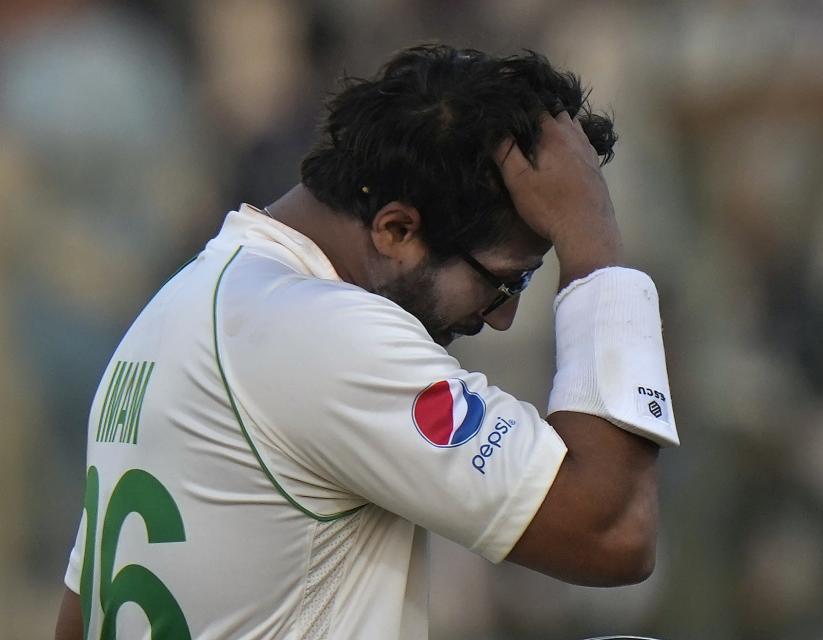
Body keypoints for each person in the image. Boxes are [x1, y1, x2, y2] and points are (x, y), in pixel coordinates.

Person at [55, 44, 679, 639]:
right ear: (397, 229)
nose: (502, 318)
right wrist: (592, 245)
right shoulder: (319, 332)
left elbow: (78, 623)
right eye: (505, 281)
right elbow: (614, 531)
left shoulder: (180, 309)